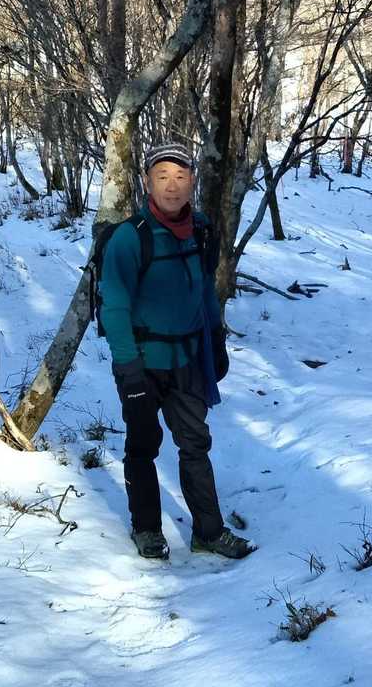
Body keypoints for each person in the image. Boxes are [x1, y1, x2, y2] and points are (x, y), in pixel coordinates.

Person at [98, 141, 255, 562]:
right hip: (142, 362)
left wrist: (215, 338)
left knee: (195, 443)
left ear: (192, 182)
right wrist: (128, 367)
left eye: (181, 177)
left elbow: (204, 289)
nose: (172, 186)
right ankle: (147, 529)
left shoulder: (200, 230)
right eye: (162, 177)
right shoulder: (131, 238)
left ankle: (209, 532)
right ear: (147, 182)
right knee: (143, 445)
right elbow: (114, 306)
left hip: (187, 359)